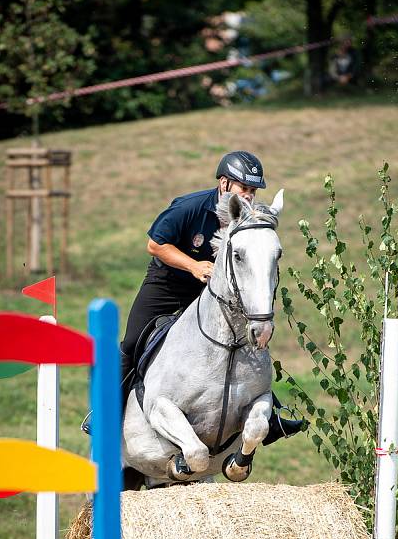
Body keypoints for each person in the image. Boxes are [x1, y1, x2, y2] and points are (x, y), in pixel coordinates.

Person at [82, 150, 302, 446]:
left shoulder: (249, 219)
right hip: (167, 284)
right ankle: (105, 413)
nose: (249, 197)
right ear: (224, 184)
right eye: (244, 189)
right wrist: (194, 266)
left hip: (212, 292)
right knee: (133, 342)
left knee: (245, 344)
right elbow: (155, 245)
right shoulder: (190, 207)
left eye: (253, 191)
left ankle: (270, 417)